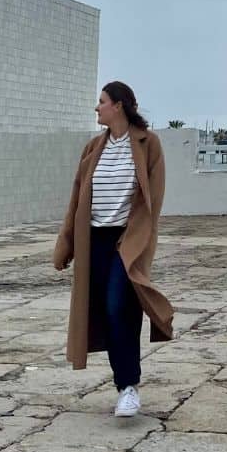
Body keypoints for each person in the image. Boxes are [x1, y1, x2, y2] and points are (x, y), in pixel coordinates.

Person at [54, 82, 174, 416]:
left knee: (118, 304)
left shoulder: (148, 144)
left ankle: (128, 386)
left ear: (118, 106)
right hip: (94, 240)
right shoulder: (93, 147)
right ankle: (124, 385)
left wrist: (141, 237)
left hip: (128, 239)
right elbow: (76, 201)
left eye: (102, 102)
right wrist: (66, 245)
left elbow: (154, 199)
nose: (97, 108)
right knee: (107, 313)